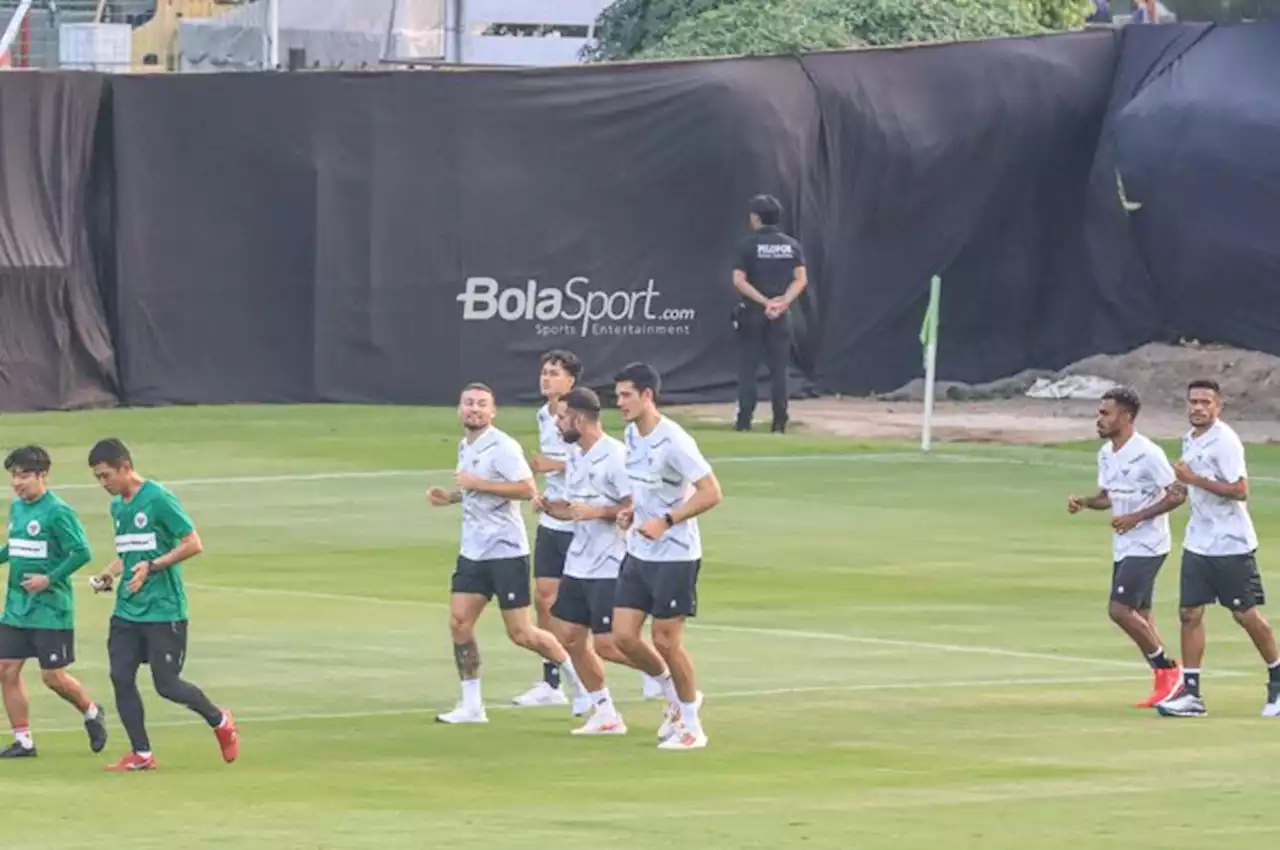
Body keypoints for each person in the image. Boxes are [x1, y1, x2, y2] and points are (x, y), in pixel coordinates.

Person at [429, 382, 587, 724]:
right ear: (460, 410)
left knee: (521, 633)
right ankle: (472, 705)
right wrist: (452, 497)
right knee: (459, 622)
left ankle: (580, 683)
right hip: (473, 550)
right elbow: (474, 490)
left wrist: (476, 484)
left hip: (506, 550)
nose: (474, 409)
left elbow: (526, 488)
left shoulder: (502, 446)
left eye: (481, 404)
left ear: (493, 411)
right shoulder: (465, 445)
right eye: (468, 403)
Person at [86, 438, 238, 772]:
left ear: (126, 467)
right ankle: (141, 754)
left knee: (166, 685)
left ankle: (219, 719)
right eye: (98, 478)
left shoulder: (159, 499)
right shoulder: (118, 507)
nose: (103, 484)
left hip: (163, 610)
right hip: (127, 610)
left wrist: (153, 566)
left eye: (106, 475)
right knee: (120, 676)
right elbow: (130, 554)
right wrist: (110, 574)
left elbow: (192, 543)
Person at [611, 362, 723, 750]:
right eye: (618, 394)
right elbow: (643, 489)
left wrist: (667, 520)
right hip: (638, 551)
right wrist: (631, 513)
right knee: (623, 637)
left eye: (626, 395)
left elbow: (711, 492)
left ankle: (692, 725)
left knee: (666, 641)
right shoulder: (631, 434)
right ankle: (673, 695)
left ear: (647, 395)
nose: (619, 402)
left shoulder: (674, 440)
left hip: (675, 556)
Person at [1156, 380, 1280, 718]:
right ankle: (1192, 694)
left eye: (1205, 402)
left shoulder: (1225, 441)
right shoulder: (1190, 438)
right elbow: (1187, 484)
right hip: (1199, 542)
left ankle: (1278, 681)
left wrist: (1194, 479)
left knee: (1245, 615)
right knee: (1189, 612)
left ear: (1218, 407)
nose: (1197, 407)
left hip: (1231, 544)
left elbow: (1240, 490)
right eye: (1193, 401)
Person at [537, 388, 647, 735]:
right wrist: (551, 507)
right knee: (570, 638)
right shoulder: (576, 455)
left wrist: (598, 512)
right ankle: (605, 713)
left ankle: (667, 676)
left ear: (580, 420)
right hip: (578, 562)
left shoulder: (616, 456)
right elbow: (576, 508)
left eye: (563, 416)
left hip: (610, 563)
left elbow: (636, 507)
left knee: (608, 644)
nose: (558, 422)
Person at [1068, 387, 1185, 709]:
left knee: (1119, 610)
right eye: (1099, 413)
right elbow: (1108, 498)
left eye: (1106, 413)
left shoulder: (1148, 453)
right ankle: (1169, 685)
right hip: (1124, 545)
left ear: (1127, 417)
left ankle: (1169, 671)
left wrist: (1137, 517)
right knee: (1142, 615)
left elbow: (1177, 494)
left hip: (1148, 545)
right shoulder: (1106, 454)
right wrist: (1086, 502)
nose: (1099, 420)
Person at [0, 446, 107, 759]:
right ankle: (24, 741)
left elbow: (82, 552)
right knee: (5, 670)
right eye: (13, 477)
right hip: (16, 608)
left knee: (53, 677)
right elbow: (15, 546)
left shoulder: (58, 512)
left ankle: (90, 711)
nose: (18, 483)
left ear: (42, 475)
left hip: (50, 610)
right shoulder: (18, 509)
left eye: (24, 476)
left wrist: (49, 579)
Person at [731, 194, 808, 434]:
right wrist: (783, 302)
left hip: (753, 313)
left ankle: (745, 421)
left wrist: (764, 302)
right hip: (781, 315)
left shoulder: (747, 245)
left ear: (755, 218)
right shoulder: (791, 245)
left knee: (748, 369)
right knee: (779, 371)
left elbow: (738, 280)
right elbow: (801, 279)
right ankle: (779, 421)